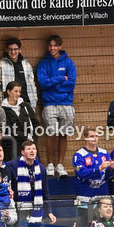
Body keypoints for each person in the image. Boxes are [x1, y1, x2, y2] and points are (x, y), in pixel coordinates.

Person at [36, 34, 77, 176]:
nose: (53, 48)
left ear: (60, 46)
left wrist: (53, 84)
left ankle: (60, 164)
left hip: (66, 103)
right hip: (49, 103)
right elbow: (43, 83)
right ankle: (50, 165)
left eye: (55, 45)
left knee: (63, 134)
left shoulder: (69, 63)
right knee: (51, 134)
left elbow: (71, 83)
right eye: (50, 45)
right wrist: (60, 79)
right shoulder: (43, 63)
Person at [72, 130, 114, 223]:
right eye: (91, 136)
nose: (94, 138)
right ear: (85, 138)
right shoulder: (79, 155)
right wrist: (98, 168)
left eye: (96, 136)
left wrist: (111, 169)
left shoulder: (104, 153)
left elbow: (108, 176)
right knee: (88, 225)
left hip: (103, 198)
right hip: (86, 199)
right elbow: (81, 174)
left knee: (105, 224)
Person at [0, 37, 39, 118]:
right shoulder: (0, 64)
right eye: (10, 49)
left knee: (27, 128)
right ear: (6, 49)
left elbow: (32, 84)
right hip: (8, 104)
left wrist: (34, 101)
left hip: (26, 102)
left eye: (15, 49)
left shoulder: (26, 64)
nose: (13, 52)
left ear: (20, 49)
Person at [0, 80, 38, 149]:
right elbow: (7, 129)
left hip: (29, 142)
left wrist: (33, 137)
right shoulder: (2, 109)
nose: (18, 94)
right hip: (12, 145)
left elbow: (35, 123)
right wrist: (25, 136)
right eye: (16, 91)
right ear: (8, 92)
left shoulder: (25, 106)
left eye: (19, 92)